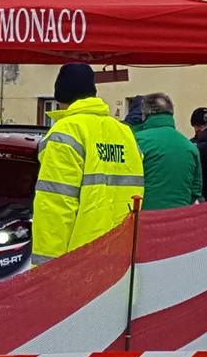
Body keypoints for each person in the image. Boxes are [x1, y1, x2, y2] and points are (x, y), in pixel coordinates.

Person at [32, 64, 145, 266]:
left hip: (80, 260)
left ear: (60, 97)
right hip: (121, 253)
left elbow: (55, 206)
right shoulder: (124, 132)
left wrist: (46, 269)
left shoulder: (66, 131)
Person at [133, 93, 203, 211]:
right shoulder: (190, 147)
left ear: (144, 115)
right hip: (179, 216)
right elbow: (196, 190)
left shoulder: (136, 141)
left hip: (144, 216)